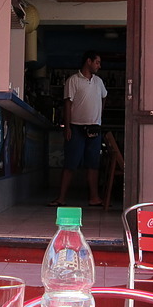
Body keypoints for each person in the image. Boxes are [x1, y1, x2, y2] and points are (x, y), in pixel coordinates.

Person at [49, 50, 107, 207]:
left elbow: (103, 98)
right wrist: (67, 127)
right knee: (70, 164)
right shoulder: (73, 80)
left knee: (93, 164)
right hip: (76, 128)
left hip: (94, 128)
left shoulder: (99, 82)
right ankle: (61, 197)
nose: (99, 66)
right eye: (97, 62)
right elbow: (67, 104)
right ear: (88, 61)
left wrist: (98, 117)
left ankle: (94, 198)